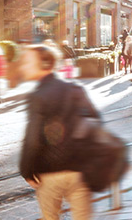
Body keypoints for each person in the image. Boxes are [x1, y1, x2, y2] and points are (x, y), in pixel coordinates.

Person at [19, 45, 95, 219]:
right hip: (79, 171)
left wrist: (26, 170)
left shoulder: (38, 96)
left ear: (44, 63)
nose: (23, 66)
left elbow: (33, 138)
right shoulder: (75, 89)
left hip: (50, 174)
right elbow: (93, 124)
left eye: (28, 62)